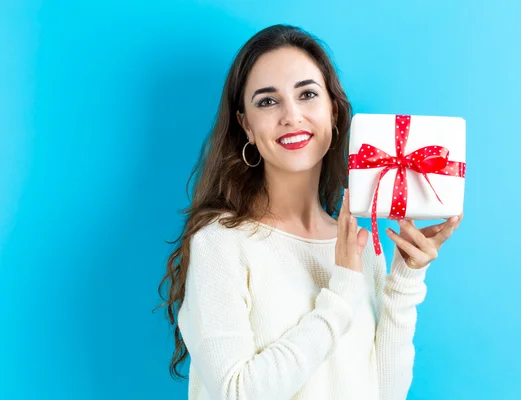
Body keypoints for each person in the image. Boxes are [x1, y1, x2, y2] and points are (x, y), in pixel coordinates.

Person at [157, 23, 462, 400]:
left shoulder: (360, 245)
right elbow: (237, 393)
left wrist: (405, 279)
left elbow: (384, 392)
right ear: (246, 126)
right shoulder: (221, 244)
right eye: (268, 101)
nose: (292, 116)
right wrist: (341, 292)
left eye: (307, 94)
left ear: (333, 112)